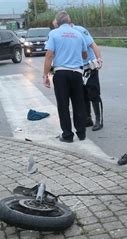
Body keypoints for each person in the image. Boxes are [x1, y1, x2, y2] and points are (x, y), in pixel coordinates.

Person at [43, 11, 88, 143]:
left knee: (63, 105)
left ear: (57, 22)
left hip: (61, 74)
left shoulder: (53, 34)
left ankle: (67, 135)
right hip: (77, 74)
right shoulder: (78, 34)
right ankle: (81, 133)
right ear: (69, 21)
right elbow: (85, 55)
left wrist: (45, 75)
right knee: (78, 104)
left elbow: (49, 55)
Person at [53, 19, 104, 131]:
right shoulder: (62, 34)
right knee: (83, 94)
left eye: (57, 26)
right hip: (78, 69)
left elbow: (93, 45)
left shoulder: (80, 30)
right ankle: (87, 118)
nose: (58, 28)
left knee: (93, 93)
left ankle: (99, 120)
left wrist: (99, 59)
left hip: (90, 66)